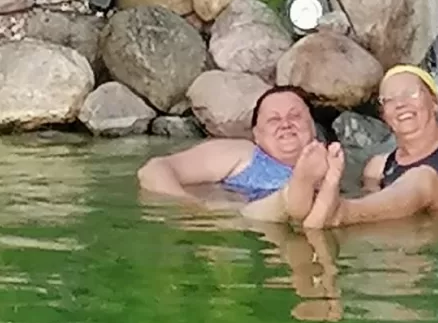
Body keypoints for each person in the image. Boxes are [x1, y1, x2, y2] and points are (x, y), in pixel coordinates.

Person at [303, 64, 438, 228]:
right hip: (418, 244)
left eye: (411, 94)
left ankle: (339, 212)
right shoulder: (377, 168)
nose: (400, 104)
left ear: (435, 103)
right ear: (384, 115)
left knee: (423, 177)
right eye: (389, 99)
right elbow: (375, 215)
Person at [137, 85, 328, 223]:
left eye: (295, 116)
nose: (285, 124)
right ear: (257, 134)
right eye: (273, 119)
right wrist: (193, 207)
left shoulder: (333, 167)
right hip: (235, 222)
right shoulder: (241, 154)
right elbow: (153, 170)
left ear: (313, 126)